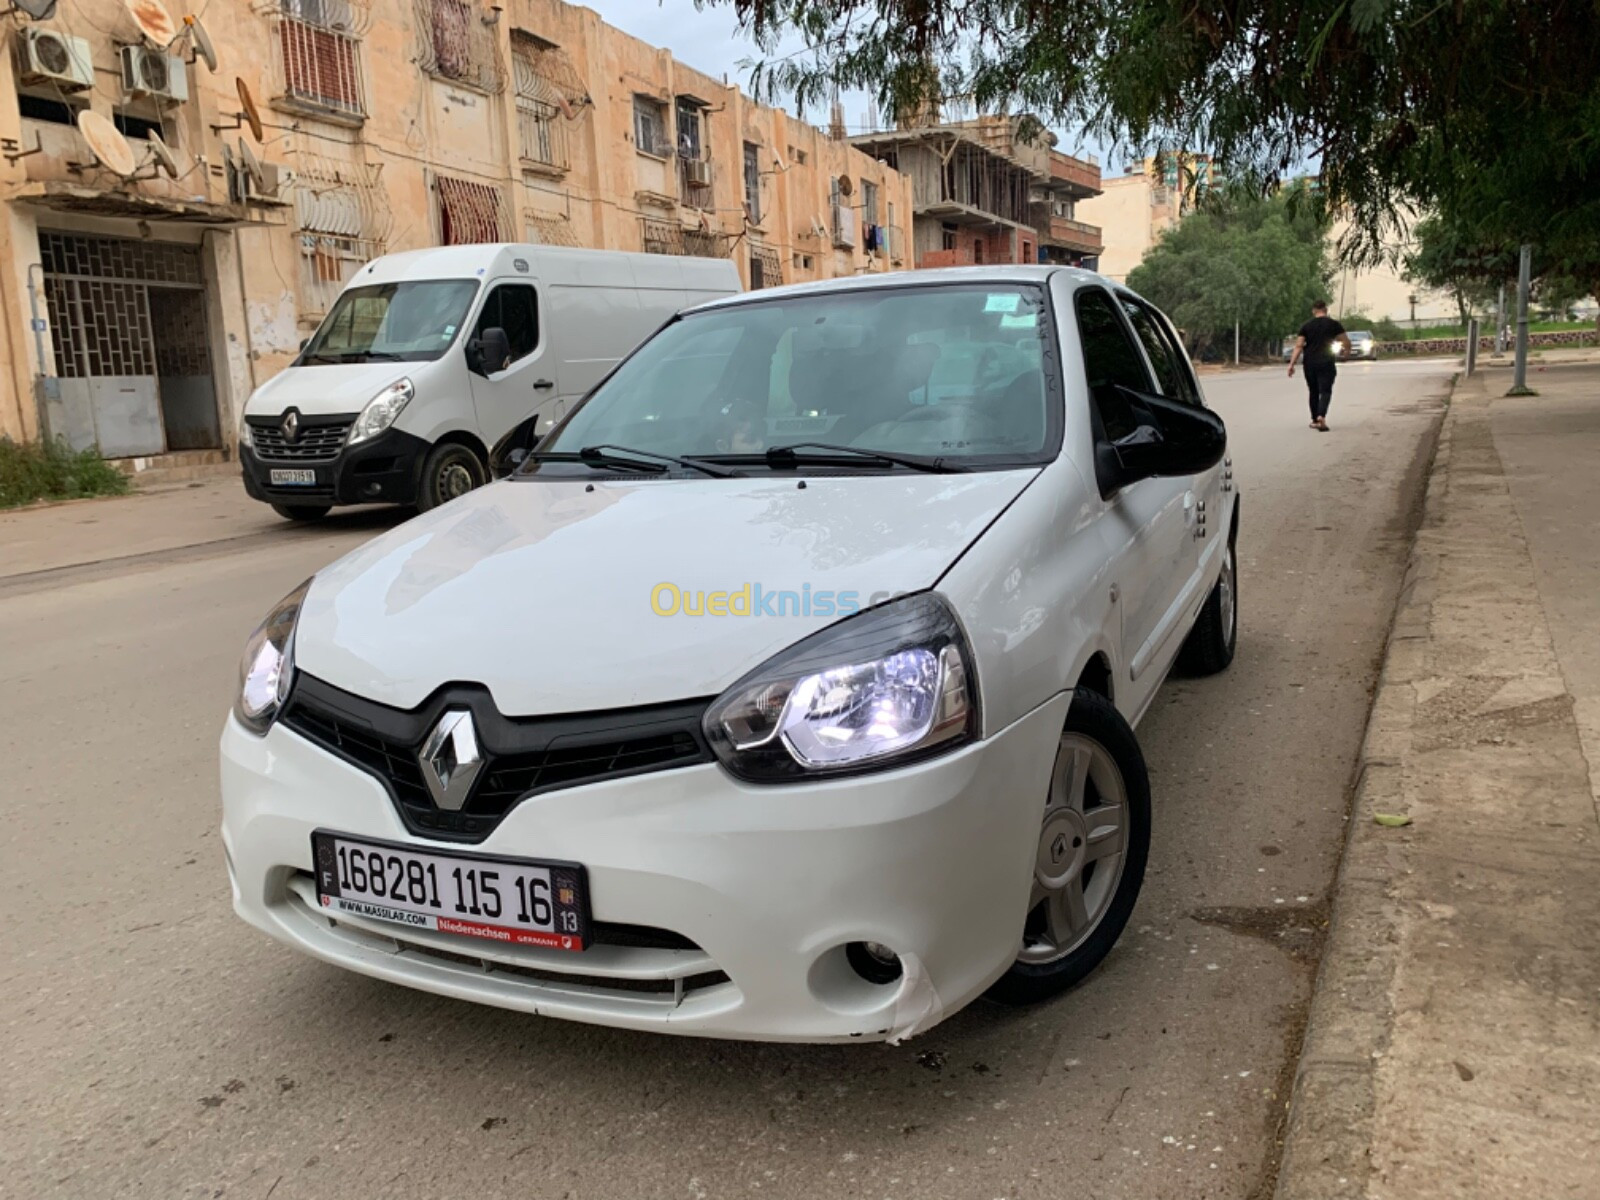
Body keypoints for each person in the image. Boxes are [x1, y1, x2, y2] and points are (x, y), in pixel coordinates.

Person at [1287, 301, 1353, 431]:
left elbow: (1299, 346)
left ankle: (1314, 420)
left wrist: (1291, 364)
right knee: (1326, 391)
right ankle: (1321, 415)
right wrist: (1346, 354)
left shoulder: (1306, 326)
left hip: (1310, 363)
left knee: (1313, 391)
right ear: (1326, 310)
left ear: (1313, 311)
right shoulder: (1334, 324)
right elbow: (1345, 341)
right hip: (1326, 362)